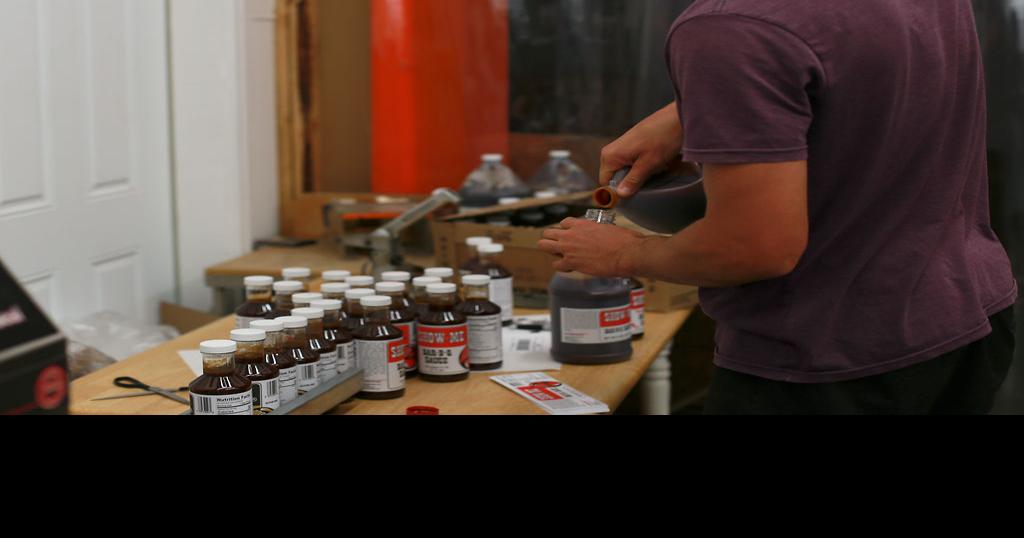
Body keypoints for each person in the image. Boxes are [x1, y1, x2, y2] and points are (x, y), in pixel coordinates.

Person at [538, 0, 1017, 414]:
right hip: (964, 319)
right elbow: (862, 60)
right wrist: (694, 110)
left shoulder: (732, 25)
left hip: (829, 365)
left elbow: (753, 248)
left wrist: (621, 255)